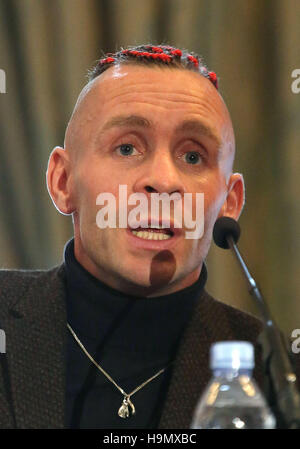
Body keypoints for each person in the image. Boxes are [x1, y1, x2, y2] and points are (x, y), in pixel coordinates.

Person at [0, 44, 277, 429]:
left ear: (229, 204)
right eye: (127, 148)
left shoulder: (276, 379)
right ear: (63, 181)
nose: (162, 181)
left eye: (193, 156)